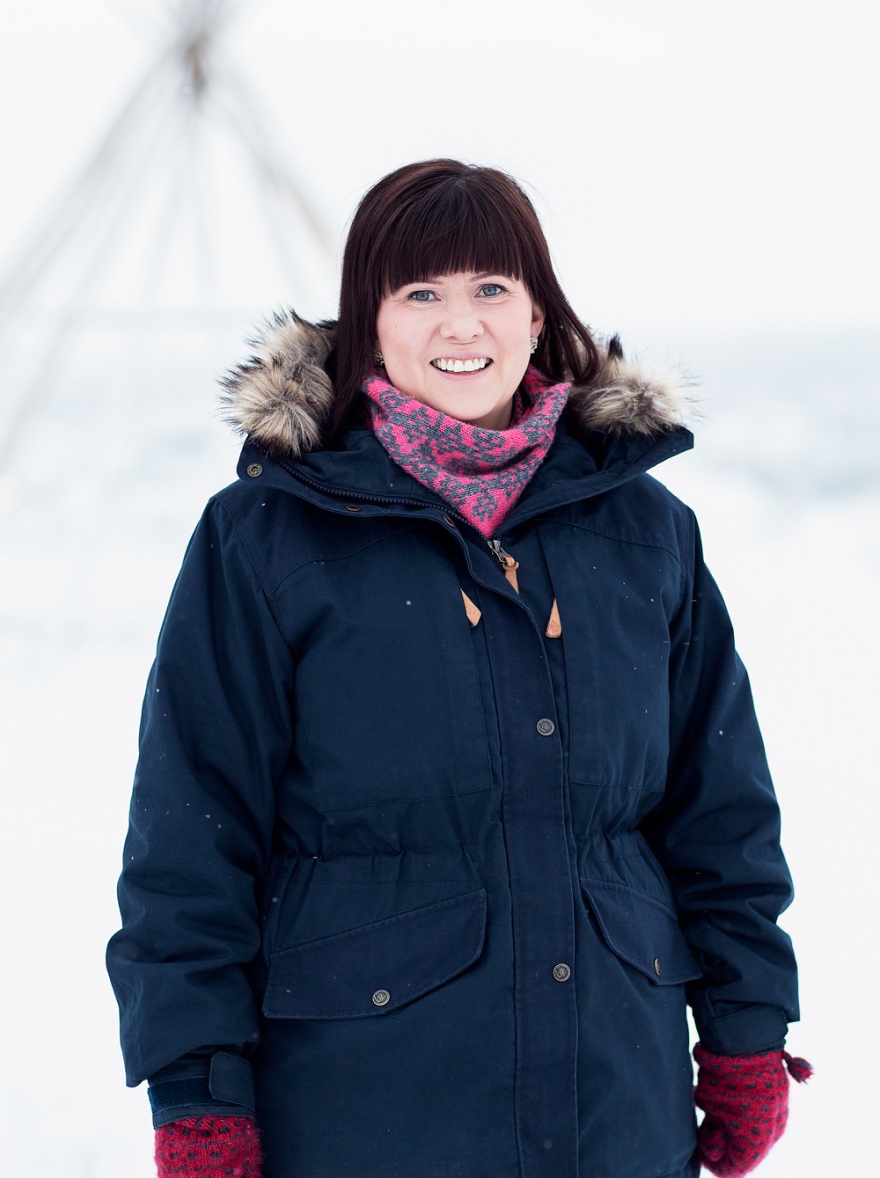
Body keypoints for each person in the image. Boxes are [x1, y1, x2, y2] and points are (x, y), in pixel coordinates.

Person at [107, 159, 809, 1178]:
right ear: (369, 321)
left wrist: (749, 1028)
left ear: (537, 315)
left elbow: (721, 811)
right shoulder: (266, 536)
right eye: (420, 293)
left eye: (491, 288)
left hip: (615, 1113)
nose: (460, 324)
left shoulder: (645, 533)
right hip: (362, 1117)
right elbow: (192, 832)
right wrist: (196, 1090)